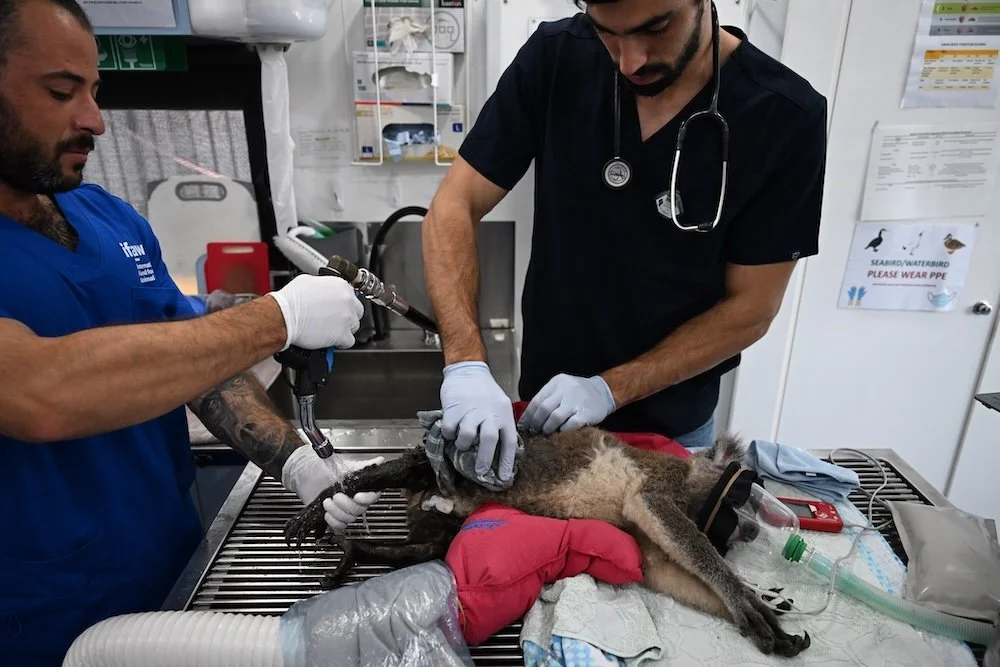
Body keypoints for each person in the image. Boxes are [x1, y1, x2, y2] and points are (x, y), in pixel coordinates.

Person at [0, 1, 378, 664]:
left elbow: (192, 358)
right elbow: (38, 390)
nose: (94, 119)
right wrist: (275, 317)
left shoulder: (108, 215)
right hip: (43, 615)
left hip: (174, 572)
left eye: (95, 91)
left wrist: (294, 460)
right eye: (62, 91)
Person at [422, 0, 827, 481]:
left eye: (656, 28)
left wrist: (609, 389)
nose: (629, 61)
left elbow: (751, 309)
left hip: (672, 434)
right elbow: (453, 206)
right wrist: (465, 363)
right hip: (546, 422)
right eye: (605, 32)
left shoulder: (784, 116)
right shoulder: (556, 58)